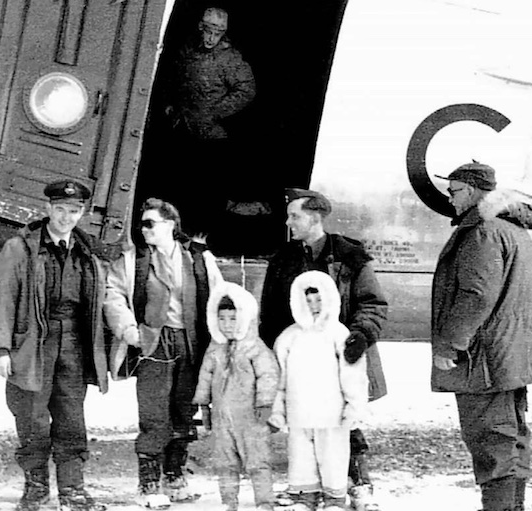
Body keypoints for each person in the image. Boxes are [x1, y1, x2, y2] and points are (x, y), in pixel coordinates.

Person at [430, 162, 532, 511]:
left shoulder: (482, 231)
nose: (450, 199)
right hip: (508, 356)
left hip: (484, 359)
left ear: (473, 191)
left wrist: (450, 344)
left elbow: (476, 294)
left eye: (454, 191)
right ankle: (511, 508)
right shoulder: (511, 228)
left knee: (491, 440)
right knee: (511, 436)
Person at [259, 188, 387, 511]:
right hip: (301, 363)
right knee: (303, 428)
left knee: (347, 423)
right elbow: (271, 313)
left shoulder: (349, 255)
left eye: (295, 216)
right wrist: (273, 357)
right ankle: (307, 490)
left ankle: (360, 484)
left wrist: (360, 336)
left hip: (343, 356)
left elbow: (372, 302)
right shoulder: (282, 260)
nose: (289, 223)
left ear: (315, 218)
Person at [0, 180, 108, 511]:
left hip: (73, 342)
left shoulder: (87, 251)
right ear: (48, 209)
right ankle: (36, 486)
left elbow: (98, 302)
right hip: (33, 343)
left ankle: (73, 489)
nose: (66, 217)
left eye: (73, 211)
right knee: (32, 416)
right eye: (60, 210)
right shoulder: (20, 248)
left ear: (81, 212)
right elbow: (2, 299)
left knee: (71, 415)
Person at [104, 197, 224, 508]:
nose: (143, 230)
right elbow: (113, 292)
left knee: (184, 410)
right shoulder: (134, 259)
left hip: (191, 342)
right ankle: (148, 483)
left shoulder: (198, 259)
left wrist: (221, 337)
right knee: (154, 413)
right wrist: (130, 331)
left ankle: (174, 475)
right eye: (141, 224)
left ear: (170, 225)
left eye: (150, 224)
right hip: (153, 343)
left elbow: (219, 296)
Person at [268, 271, 369, 511]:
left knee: (333, 456)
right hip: (299, 413)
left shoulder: (339, 334)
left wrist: (354, 406)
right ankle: (305, 496)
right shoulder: (289, 337)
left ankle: (334, 498)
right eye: (308, 301)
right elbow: (278, 378)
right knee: (301, 456)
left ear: (330, 299)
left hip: (331, 415)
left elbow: (352, 374)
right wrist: (277, 409)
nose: (314, 306)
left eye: (318, 299)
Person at [156, 6, 256, 236]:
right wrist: (171, 105)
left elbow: (247, 90)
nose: (211, 38)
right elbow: (173, 79)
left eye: (217, 33)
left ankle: (202, 236)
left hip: (211, 135)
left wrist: (216, 112)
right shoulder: (188, 50)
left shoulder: (229, 59)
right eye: (208, 31)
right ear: (201, 28)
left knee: (207, 190)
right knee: (178, 184)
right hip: (183, 128)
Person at [191, 281, 280, 511]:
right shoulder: (215, 349)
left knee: (257, 460)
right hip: (223, 418)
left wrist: (265, 404)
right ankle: (228, 501)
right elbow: (206, 376)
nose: (227, 325)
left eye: (233, 319)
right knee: (225, 461)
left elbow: (268, 376)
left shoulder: (255, 348)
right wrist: (204, 404)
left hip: (251, 418)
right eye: (222, 319)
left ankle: (264, 501)